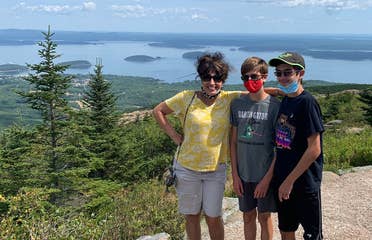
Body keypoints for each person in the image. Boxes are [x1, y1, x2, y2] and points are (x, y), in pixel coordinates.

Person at [153, 52, 240, 240]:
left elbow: (259, 94)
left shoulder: (229, 98)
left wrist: (287, 90)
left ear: (223, 80)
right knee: (192, 216)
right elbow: (158, 111)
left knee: (214, 217)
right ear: (200, 78)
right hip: (186, 169)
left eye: (217, 78)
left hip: (215, 169)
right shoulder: (186, 98)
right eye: (206, 77)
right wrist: (175, 136)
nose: (212, 82)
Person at [268, 52, 324, 240]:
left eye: (288, 72)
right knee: (286, 230)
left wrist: (289, 181)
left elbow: (314, 148)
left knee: (311, 235)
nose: (283, 78)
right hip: (283, 180)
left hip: (303, 183)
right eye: (279, 73)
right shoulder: (287, 99)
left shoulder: (307, 103)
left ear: (301, 73)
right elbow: (277, 91)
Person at [230, 57, 280, 240]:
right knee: (247, 216)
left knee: (265, 216)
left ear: (265, 76)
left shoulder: (275, 107)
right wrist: (234, 175)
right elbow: (233, 142)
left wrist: (267, 179)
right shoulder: (236, 104)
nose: (249, 81)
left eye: (254, 76)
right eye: (245, 77)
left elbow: (279, 148)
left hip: (264, 174)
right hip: (243, 175)